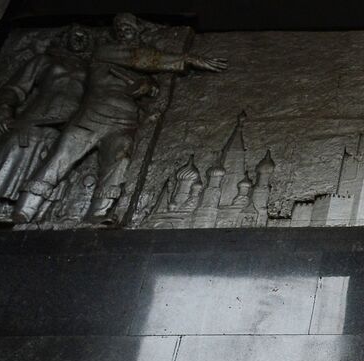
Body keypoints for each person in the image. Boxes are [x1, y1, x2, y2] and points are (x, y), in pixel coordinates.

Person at [13, 13, 227, 225]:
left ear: (136, 32)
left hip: (124, 119)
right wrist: (186, 58)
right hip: (91, 116)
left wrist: (149, 88)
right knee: (61, 156)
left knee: (119, 160)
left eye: (130, 29)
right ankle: (25, 208)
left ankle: (98, 212)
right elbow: (139, 57)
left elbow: (148, 83)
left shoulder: (138, 71)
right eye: (121, 29)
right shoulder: (105, 51)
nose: (125, 32)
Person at [0, 23, 93, 226]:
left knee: (50, 169)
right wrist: (2, 112)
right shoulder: (44, 60)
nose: (79, 39)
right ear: (66, 38)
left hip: (66, 125)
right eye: (76, 35)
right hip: (33, 118)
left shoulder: (93, 69)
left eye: (85, 37)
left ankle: (25, 216)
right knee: (3, 161)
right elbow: (14, 88)